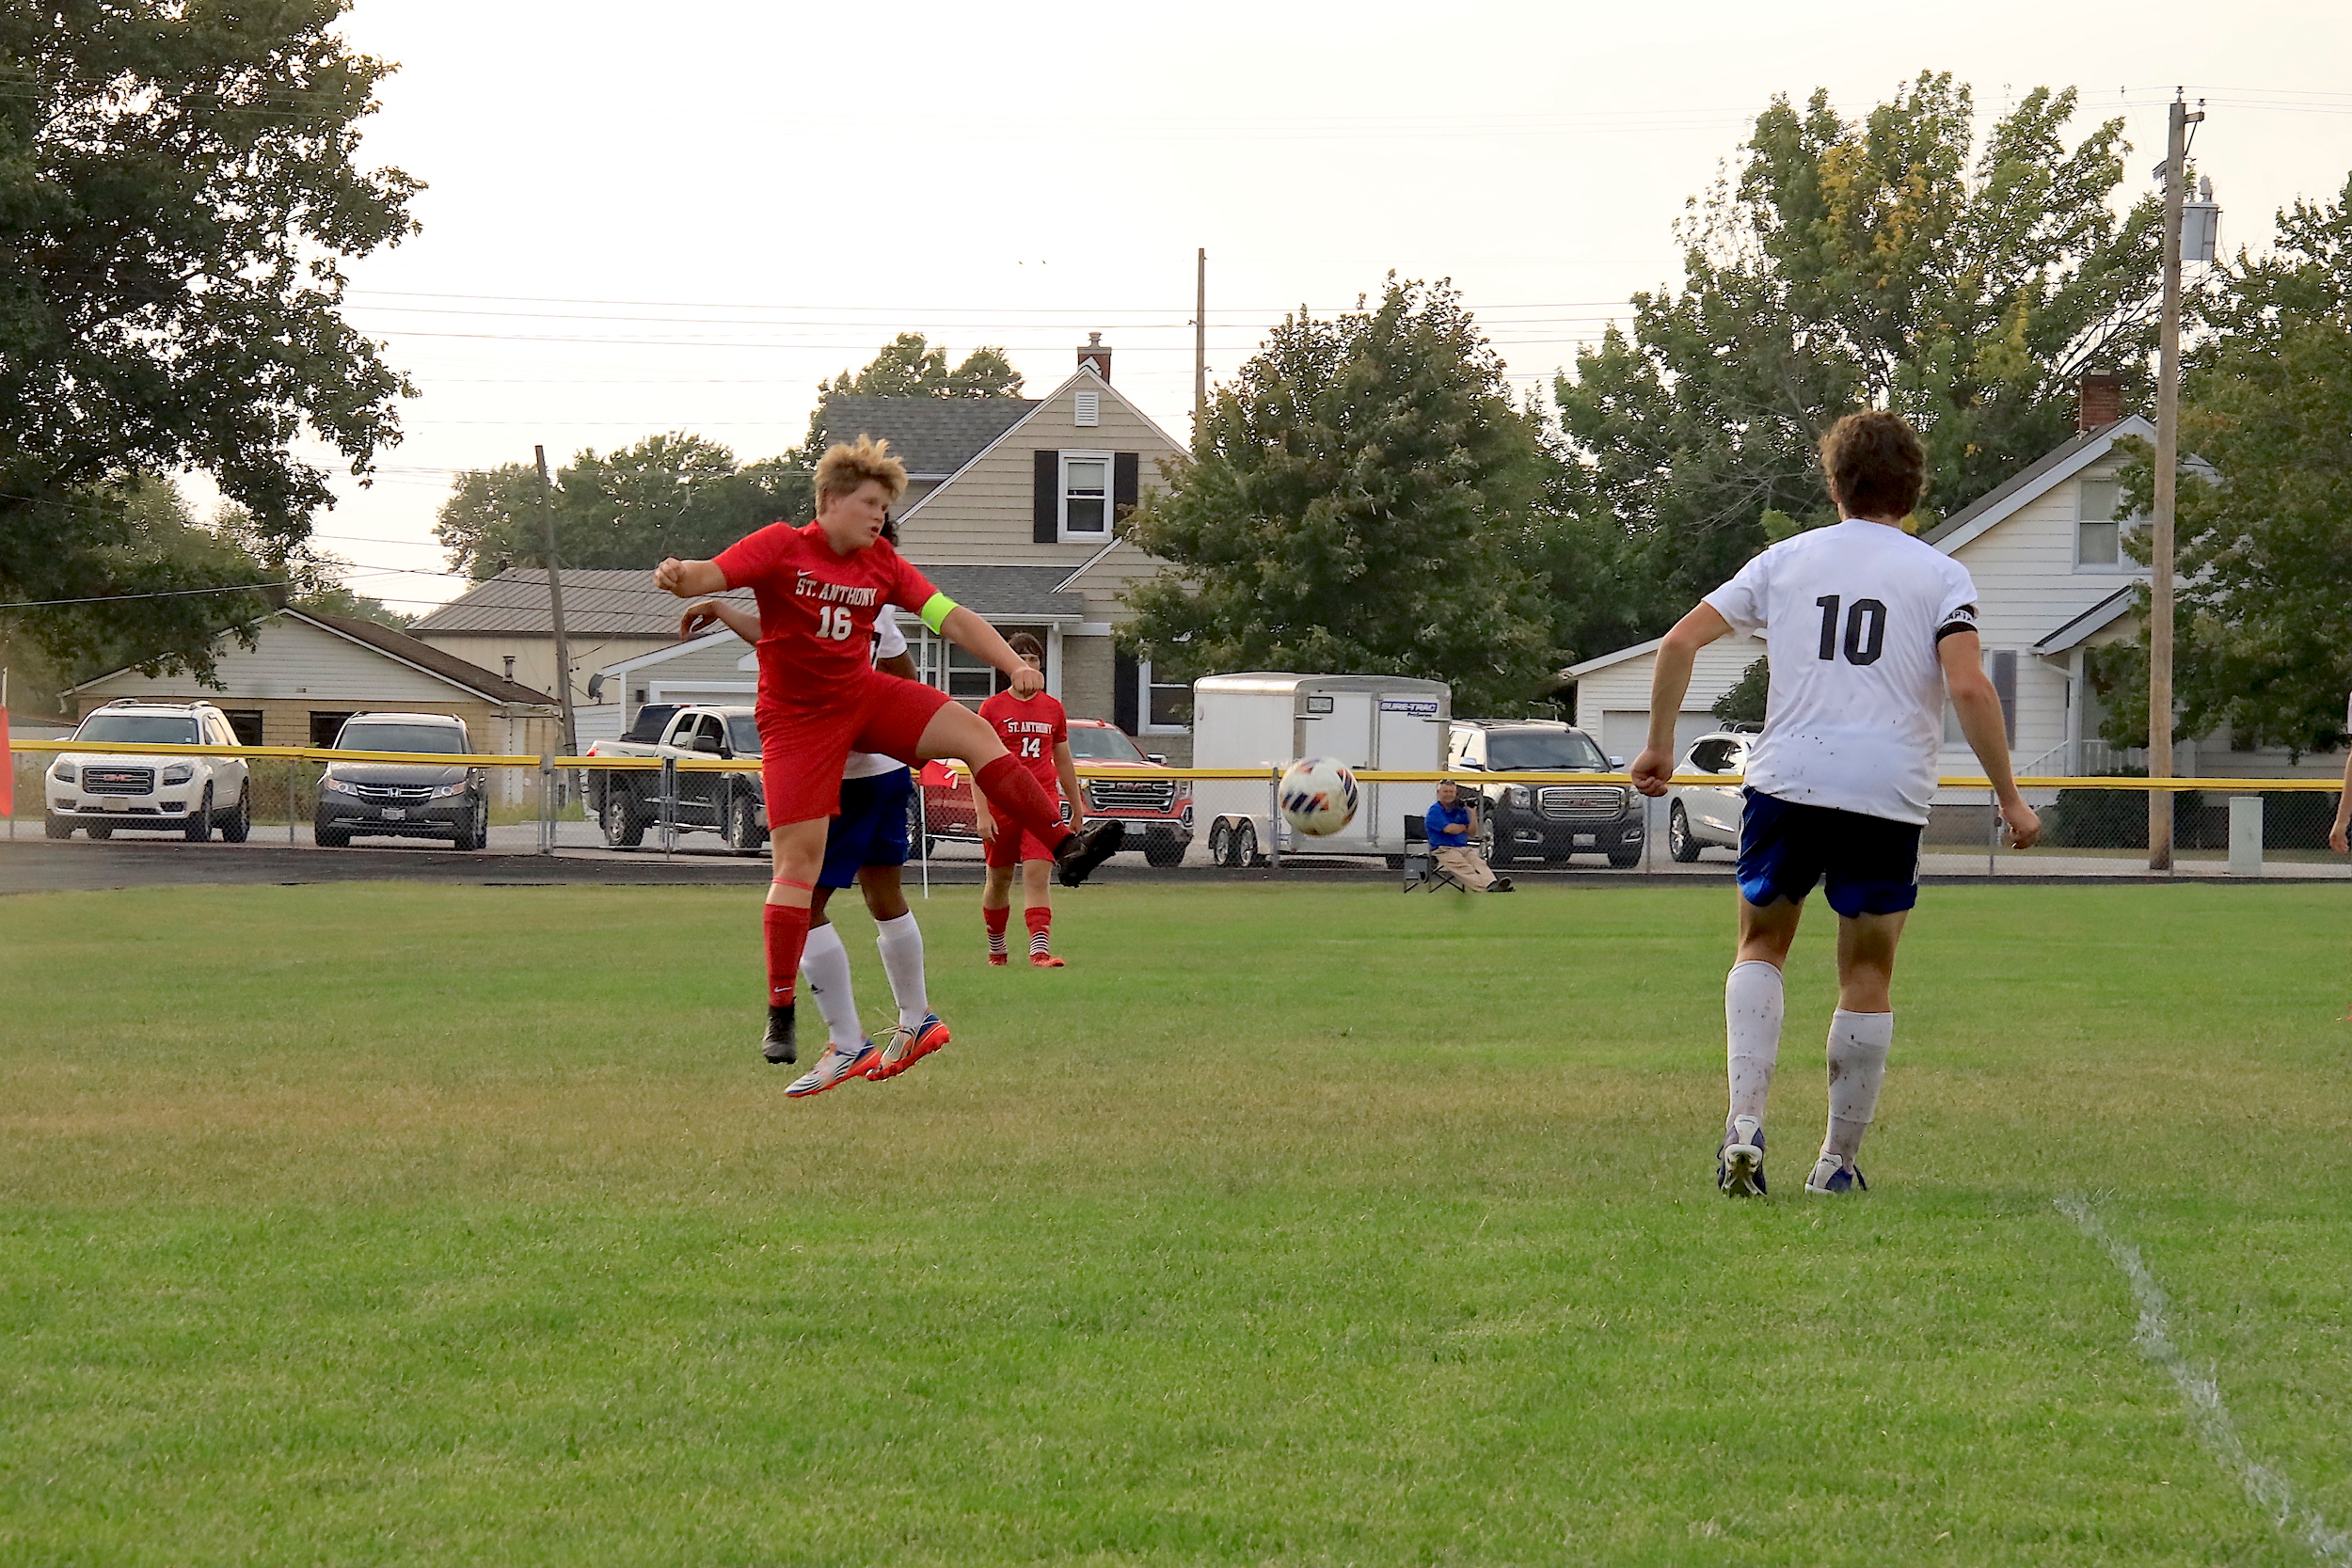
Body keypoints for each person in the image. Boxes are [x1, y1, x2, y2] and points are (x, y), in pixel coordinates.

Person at [1630, 409, 2041, 1197]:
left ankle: (1744, 1124)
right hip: (1887, 789)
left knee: (1760, 946)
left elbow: (1678, 641)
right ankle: (1835, 1164)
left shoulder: (1785, 560)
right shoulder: (1941, 576)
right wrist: (2011, 798)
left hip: (1788, 779)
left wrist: (1657, 745)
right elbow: (1968, 686)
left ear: (1834, 485)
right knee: (1868, 971)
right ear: (1913, 489)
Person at [654, 436, 1123, 1098]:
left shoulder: (880, 563)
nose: (880, 516)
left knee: (973, 732)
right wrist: (681, 575)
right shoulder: (781, 546)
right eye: (871, 503)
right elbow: (712, 575)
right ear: (829, 500)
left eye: (885, 506)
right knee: (800, 872)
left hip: (861, 706)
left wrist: (1010, 663)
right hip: (799, 723)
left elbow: (949, 616)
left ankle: (1065, 844)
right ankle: (784, 1013)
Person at [679, 540, 950, 1087]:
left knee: (800, 906)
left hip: (840, 774)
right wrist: (726, 610)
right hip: (886, 771)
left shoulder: (831, 589)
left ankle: (848, 1042)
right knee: (884, 895)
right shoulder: (873, 604)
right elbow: (899, 677)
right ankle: (917, 1017)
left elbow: (806, 643)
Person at [973, 633, 1088, 966]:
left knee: (1037, 876)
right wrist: (982, 813)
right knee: (999, 879)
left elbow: (1063, 761)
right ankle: (997, 948)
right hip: (1003, 803)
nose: (1027, 664)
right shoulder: (992, 708)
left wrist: (1076, 808)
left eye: (1033, 659)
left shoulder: (1053, 708)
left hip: (1041, 804)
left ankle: (1039, 952)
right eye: (1020, 658)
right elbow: (978, 761)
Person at [1423, 778, 1512, 892]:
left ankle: (1492, 883)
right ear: (1438, 793)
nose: (1448, 794)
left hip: (1463, 847)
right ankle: (1486, 889)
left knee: (1479, 863)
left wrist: (1472, 813)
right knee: (1465, 868)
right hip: (1443, 849)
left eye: (1451, 792)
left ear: (1456, 793)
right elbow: (1450, 829)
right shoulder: (1435, 810)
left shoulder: (1460, 809)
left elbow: (1472, 832)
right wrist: (1464, 827)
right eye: (1445, 791)